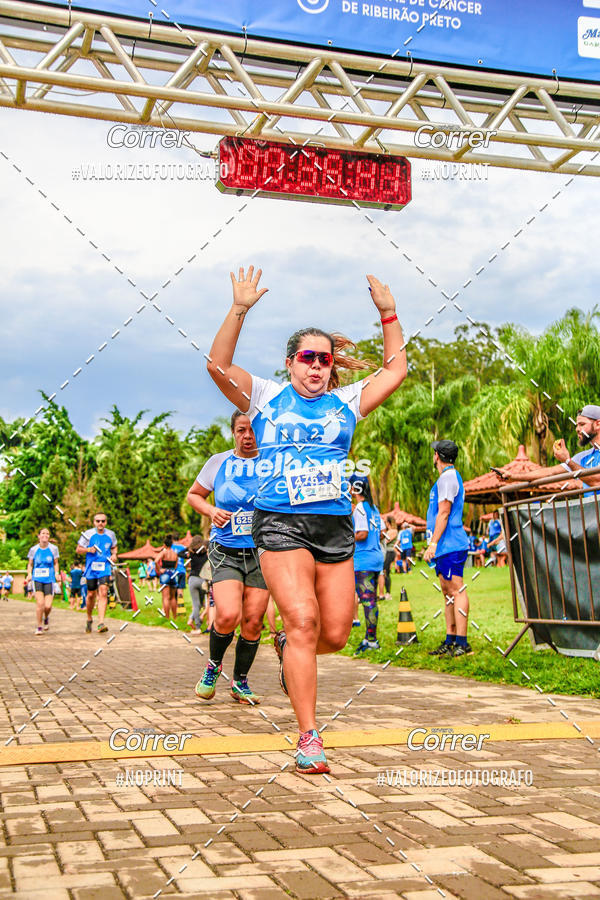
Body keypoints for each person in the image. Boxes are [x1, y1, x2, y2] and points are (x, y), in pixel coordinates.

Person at [206, 265, 406, 774]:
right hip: (279, 523)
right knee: (303, 619)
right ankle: (308, 737)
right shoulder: (267, 397)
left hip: (333, 525)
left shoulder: (344, 403)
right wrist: (239, 308)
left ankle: (288, 647)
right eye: (307, 358)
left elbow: (395, 372)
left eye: (325, 359)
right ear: (290, 363)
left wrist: (388, 313)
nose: (317, 367)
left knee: (335, 634)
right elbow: (217, 365)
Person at [186, 411, 270, 705]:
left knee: (253, 621)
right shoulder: (218, 462)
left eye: (252, 430)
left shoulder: (273, 462)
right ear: (233, 432)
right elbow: (194, 495)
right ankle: (213, 666)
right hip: (225, 550)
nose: (247, 436)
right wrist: (211, 511)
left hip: (262, 552)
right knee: (228, 614)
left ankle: (240, 682)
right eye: (241, 430)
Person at [424, 440, 472, 658]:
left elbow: (444, 512)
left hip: (451, 542)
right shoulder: (445, 478)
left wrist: (433, 543)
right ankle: (450, 639)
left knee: (456, 589)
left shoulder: (449, 477)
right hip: (445, 545)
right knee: (447, 593)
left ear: (437, 456)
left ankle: (463, 642)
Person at [501, 405, 600, 492]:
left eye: (582, 424)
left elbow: (597, 482)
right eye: (577, 425)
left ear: (597, 424)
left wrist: (568, 461)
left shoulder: (574, 461)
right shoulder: (583, 457)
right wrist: (513, 476)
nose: (577, 429)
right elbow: (549, 472)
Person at [352, 476, 385, 654]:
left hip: (363, 559)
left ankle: (371, 640)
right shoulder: (374, 508)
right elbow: (382, 532)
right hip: (376, 556)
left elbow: (362, 533)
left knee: (367, 601)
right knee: (370, 599)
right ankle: (369, 636)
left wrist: (349, 538)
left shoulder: (360, 508)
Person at [76, 512, 118, 633]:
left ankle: (101, 622)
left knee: (103, 592)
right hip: (91, 568)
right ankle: (89, 618)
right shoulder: (88, 534)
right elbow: (78, 549)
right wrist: (88, 549)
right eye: (98, 521)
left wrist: (114, 554)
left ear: (106, 522)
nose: (100, 523)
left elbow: (114, 547)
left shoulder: (111, 534)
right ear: (94, 522)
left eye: (103, 521)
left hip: (104, 567)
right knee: (90, 594)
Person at [26, 528, 59, 635]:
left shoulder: (54, 549)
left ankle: (46, 617)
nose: (45, 535)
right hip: (37, 579)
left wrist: (57, 573)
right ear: (39, 536)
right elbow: (30, 564)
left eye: (47, 534)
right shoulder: (33, 549)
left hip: (49, 579)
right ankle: (39, 626)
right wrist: (29, 574)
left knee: (48, 606)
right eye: (43, 533)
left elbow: (56, 563)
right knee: (40, 604)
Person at [178, 535, 209, 634]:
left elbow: (180, 553)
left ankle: (197, 627)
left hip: (193, 579)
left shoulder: (191, 554)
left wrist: (189, 548)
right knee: (200, 604)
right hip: (203, 580)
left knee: (196, 604)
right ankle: (193, 620)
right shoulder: (205, 554)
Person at [155, 534, 179, 619]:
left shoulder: (163, 552)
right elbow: (176, 565)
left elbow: (156, 561)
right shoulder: (175, 553)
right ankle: (175, 617)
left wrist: (159, 569)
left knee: (165, 597)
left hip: (165, 573)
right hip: (173, 573)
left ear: (164, 545)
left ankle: (167, 617)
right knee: (173, 597)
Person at [381, 516, 397, 600]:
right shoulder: (388, 531)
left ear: (388, 523)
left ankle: (388, 593)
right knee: (383, 572)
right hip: (385, 552)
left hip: (389, 552)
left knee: (386, 572)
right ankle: (384, 592)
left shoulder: (393, 531)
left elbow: (386, 540)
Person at [171, 533, 187, 612]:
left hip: (173, 571)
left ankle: (173, 607)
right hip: (182, 570)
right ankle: (180, 607)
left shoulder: (170, 547)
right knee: (180, 589)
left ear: (172, 539)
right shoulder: (183, 547)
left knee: (173, 589)